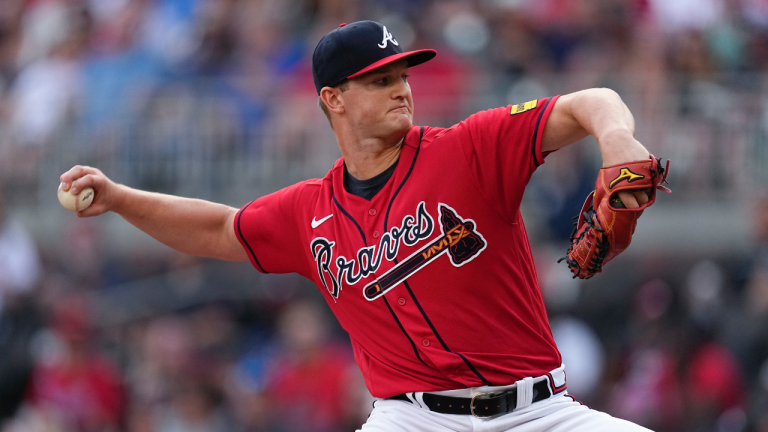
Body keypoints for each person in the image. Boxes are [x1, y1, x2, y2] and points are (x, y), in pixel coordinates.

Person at [60, 20, 656, 431]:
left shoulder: (468, 149)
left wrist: (618, 141)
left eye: (402, 76)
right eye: (379, 80)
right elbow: (221, 230)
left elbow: (591, 100)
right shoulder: (309, 211)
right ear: (334, 99)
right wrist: (118, 198)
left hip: (539, 412)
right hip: (412, 417)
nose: (401, 89)